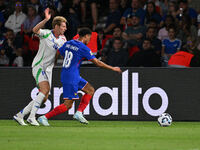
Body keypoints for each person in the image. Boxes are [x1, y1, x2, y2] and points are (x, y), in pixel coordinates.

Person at [37, 28, 122, 126]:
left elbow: (58, 52)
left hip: (71, 74)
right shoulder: (83, 48)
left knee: (90, 90)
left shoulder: (68, 43)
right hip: (71, 77)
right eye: (89, 37)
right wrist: (113, 68)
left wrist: (55, 63)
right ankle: (44, 117)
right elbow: (97, 63)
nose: (89, 40)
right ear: (86, 36)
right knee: (68, 105)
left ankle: (79, 113)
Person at [13, 8, 67, 126]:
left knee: (44, 97)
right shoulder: (46, 33)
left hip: (49, 68)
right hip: (39, 66)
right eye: (63, 26)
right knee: (45, 90)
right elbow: (35, 30)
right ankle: (32, 117)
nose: (65, 28)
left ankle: (20, 115)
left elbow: (61, 53)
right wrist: (46, 19)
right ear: (56, 26)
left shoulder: (63, 39)